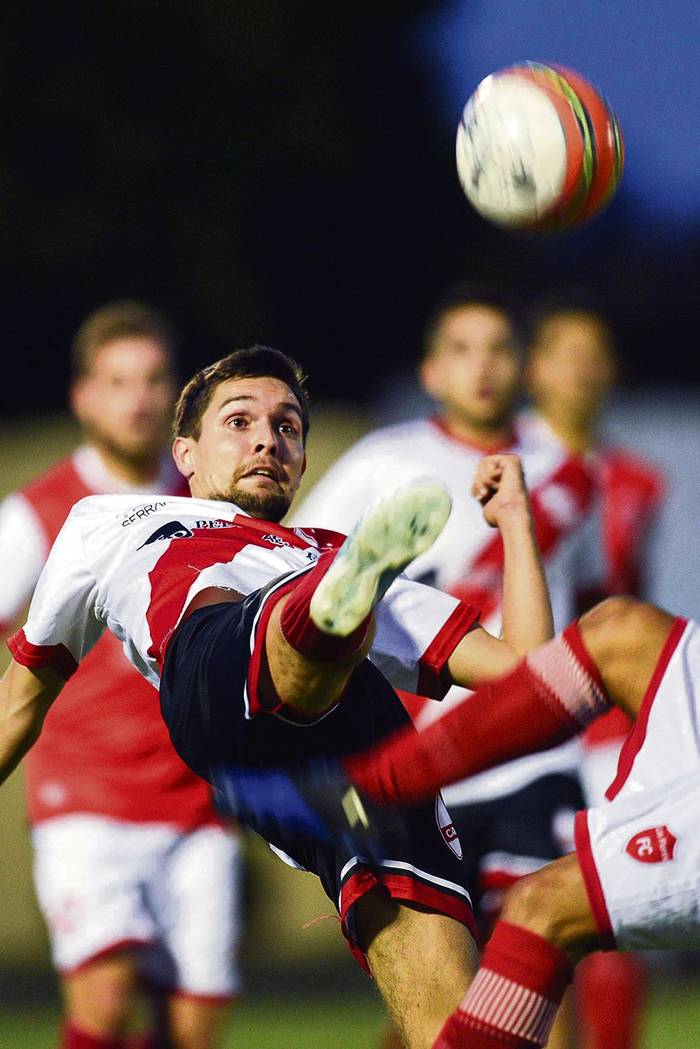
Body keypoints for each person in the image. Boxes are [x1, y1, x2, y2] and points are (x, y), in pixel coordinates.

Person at [1, 345, 554, 1049]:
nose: (268, 437)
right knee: (261, 605)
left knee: (467, 1028)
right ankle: (318, 629)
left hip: (357, 767)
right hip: (216, 669)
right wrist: (338, 590)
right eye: (240, 420)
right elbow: (20, 698)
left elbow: (529, 674)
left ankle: (328, 645)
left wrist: (515, 520)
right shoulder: (106, 523)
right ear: (186, 453)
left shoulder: (328, 549)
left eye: (289, 426)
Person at [293, 284, 601, 1047]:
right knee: (436, 998)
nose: (484, 366)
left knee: (542, 971)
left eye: (499, 348)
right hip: (427, 756)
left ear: (522, 365)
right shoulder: (382, 461)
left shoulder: (564, 468)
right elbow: (299, 572)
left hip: (537, 754)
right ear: (432, 371)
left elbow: (591, 598)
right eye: (463, 350)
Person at [273, 595, 697, 1049]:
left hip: (527, 783)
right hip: (449, 785)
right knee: (621, 628)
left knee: (544, 910)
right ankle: (368, 788)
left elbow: (518, 658)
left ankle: (367, 789)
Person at [0, 302, 242, 1049]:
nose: (136, 399)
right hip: (87, 799)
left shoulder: (210, 504)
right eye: (116, 381)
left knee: (193, 1030)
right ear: (83, 396)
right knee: (103, 1004)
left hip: (198, 802)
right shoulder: (37, 515)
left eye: (152, 379)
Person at [522, 296, 666, 1049]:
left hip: (604, 730)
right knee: (492, 935)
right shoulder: (502, 466)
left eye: (594, 352)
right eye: (564, 350)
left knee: (612, 915)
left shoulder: (639, 482)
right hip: (513, 722)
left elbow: (630, 602)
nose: (581, 367)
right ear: (534, 368)